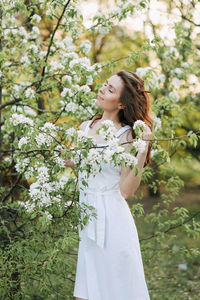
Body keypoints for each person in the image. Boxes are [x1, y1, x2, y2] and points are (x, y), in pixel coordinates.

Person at [65, 70, 154, 300]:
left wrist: (140, 153)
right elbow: (78, 164)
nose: (102, 89)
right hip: (87, 220)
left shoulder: (126, 137)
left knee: (116, 292)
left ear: (123, 103)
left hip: (113, 223)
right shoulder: (85, 127)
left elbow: (126, 190)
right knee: (84, 293)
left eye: (111, 89)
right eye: (105, 85)